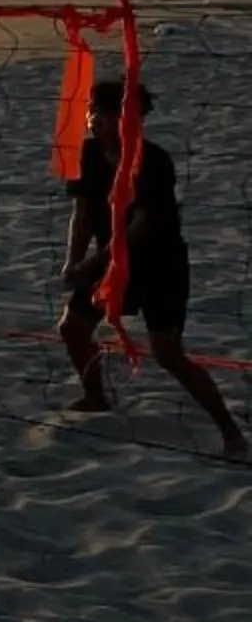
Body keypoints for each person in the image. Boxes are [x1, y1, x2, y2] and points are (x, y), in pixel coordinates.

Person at [57, 80, 247, 459]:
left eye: (99, 112)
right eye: (90, 111)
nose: (91, 119)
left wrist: (93, 262)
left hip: (160, 265)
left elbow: (140, 226)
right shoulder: (88, 155)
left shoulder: (152, 160)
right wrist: (72, 261)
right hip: (113, 262)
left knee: (167, 352)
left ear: (124, 118)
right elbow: (83, 213)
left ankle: (230, 431)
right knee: (72, 327)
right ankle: (95, 396)